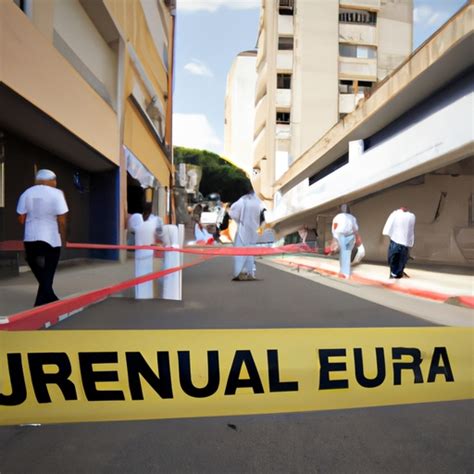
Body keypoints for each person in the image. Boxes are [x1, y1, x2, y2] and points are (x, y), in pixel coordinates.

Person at [16, 169, 69, 306]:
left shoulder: (26, 193)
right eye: (55, 180)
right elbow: (62, 220)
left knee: (38, 268)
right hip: (50, 238)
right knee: (49, 271)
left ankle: (42, 302)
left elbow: (21, 218)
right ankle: (49, 300)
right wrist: (64, 239)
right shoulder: (57, 194)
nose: (56, 183)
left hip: (30, 238)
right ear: (50, 180)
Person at [128, 203, 163, 299]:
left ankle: (140, 295)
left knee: (140, 275)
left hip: (139, 253)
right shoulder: (153, 222)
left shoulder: (139, 226)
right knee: (148, 276)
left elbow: (132, 229)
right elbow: (160, 233)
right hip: (149, 253)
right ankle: (147, 295)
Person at [229, 180, 262, 281]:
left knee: (240, 251)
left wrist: (239, 221)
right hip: (254, 228)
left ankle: (240, 272)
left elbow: (233, 213)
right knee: (250, 251)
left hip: (244, 228)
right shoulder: (258, 200)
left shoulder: (243, 200)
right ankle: (251, 272)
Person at [383, 207, 416, 279]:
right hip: (399, 241)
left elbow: (410, 230)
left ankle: (397, 273)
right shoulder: (397, 214)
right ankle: (395, 273)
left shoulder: (407, 216)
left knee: (398, 257)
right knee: (398, 257)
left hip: (400, 241)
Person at [331, 204, 359, 278]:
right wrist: (357, 237)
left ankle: (343, 271)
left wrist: (335, 239)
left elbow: (334, 229)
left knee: (343, 253)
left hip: (341, 236)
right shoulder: (352, 218)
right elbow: (355, 229)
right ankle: (345, 272)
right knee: (347, 253)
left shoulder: (337, 217)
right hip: (350, 235)